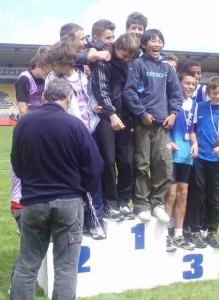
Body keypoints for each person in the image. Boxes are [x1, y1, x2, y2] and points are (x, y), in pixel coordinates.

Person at [10, 78, 103, 300]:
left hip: (33, 200)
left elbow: (17, 163)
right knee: (65, 268)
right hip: (68, 201)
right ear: (69, 100)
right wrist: (81, 185)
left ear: (43, 98)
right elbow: (95, 167)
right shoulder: (75, 125)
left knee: (27, 265)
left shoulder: (24, 123)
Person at [45, 38, 105, 239]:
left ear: (66, 61)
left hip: (88, 132)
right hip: (66, 137)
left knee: (93, 178)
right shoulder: (52, 79)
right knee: (69, 179)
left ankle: (95, 222)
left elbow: (90, 98)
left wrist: (95, 107)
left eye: (54, 62)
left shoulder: (83, 76)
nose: (51, 67)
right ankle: (71, 224)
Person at [123, 29, 183, 222]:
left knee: (163, 164)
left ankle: (157, 203)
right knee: (142, 164)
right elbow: (129, 92)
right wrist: (141, 113)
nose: (157, 44)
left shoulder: (167, 69)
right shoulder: (137, 64)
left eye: (160, 41)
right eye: (152, 41)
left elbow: (176, 94)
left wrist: (173, 114)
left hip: (163, 125)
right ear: (143, 44)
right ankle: (141, 204)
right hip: (143, 124)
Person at [186, 76, 219, 248]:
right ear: (208, 93)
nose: (218, 96)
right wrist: (194, 144)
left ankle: (212, 231)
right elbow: (192, 129)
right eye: (214, 93)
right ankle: (195, 231)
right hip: (200, 160)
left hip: (218, 161)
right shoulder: (199, 107)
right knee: (197, 196)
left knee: (215, 198)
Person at [92, 32, 139, 221]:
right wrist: (111, 114)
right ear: (116, 47)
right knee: (109, 161)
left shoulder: (133, 63)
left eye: (130, 56)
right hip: (107, 118)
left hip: (127, 119)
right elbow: (101, 88)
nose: (127, 59)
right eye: (124, 55)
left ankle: (123, 201)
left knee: (126, 162)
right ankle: (111, 203)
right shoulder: (105, 60)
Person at [10, 45, 51, 231]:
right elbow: (23, 111)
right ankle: (19, 216)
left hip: (43, 130)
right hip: (28, 130)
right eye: (49, 67)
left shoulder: (49, 79)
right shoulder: (24, 79)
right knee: (20, 174)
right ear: (41, 64)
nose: (51, 72)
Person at [164, 72, 198, 252]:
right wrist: (168, 141)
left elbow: (191, 129)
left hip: (186, 155)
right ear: (179, 83)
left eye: (193, 84)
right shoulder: (170, 101)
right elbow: (163, 126)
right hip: (171, 152)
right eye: (187, 83)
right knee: (170, 193)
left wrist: (195, 143)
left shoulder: (195, 105)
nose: (191, 86)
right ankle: (164, 235)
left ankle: (178, 234)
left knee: (183, 194)